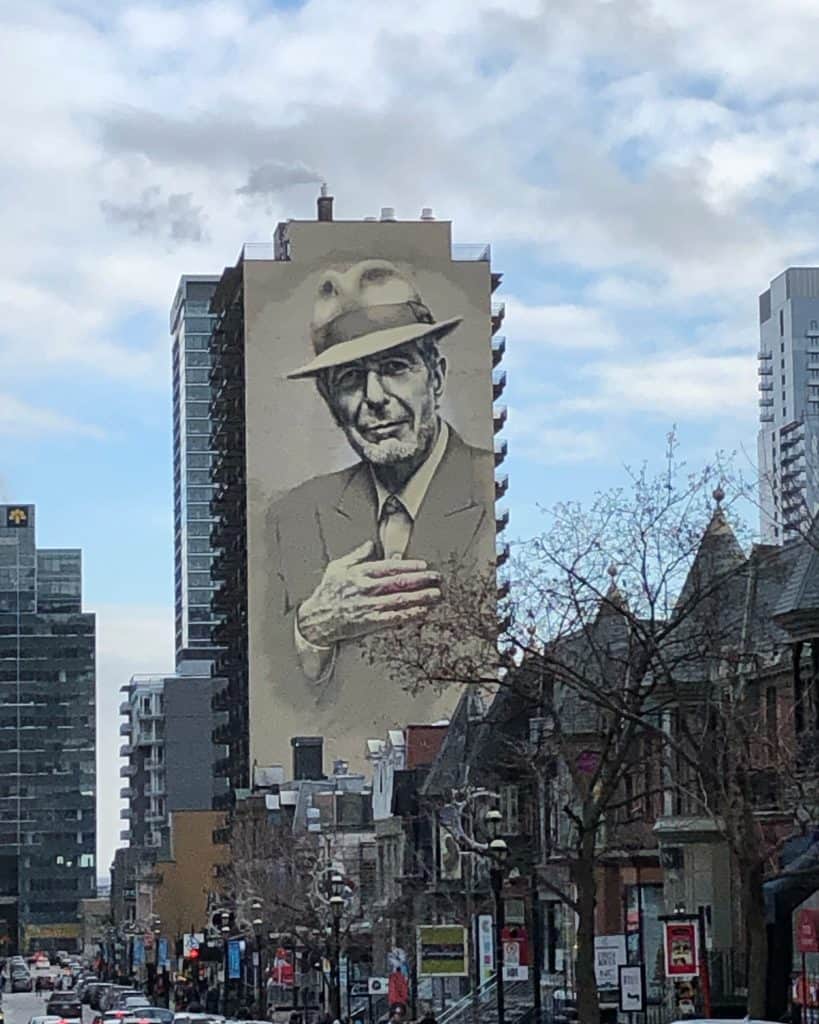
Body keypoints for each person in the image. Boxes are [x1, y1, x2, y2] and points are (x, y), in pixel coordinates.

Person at [266, 259, 494, 715]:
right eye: (350, 379)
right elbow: (281, 694)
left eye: (394, 367)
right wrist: (312, 629)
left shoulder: (491, 491)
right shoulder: (293, 516)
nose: (374, 397)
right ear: (332, 404)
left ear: (437, 378)